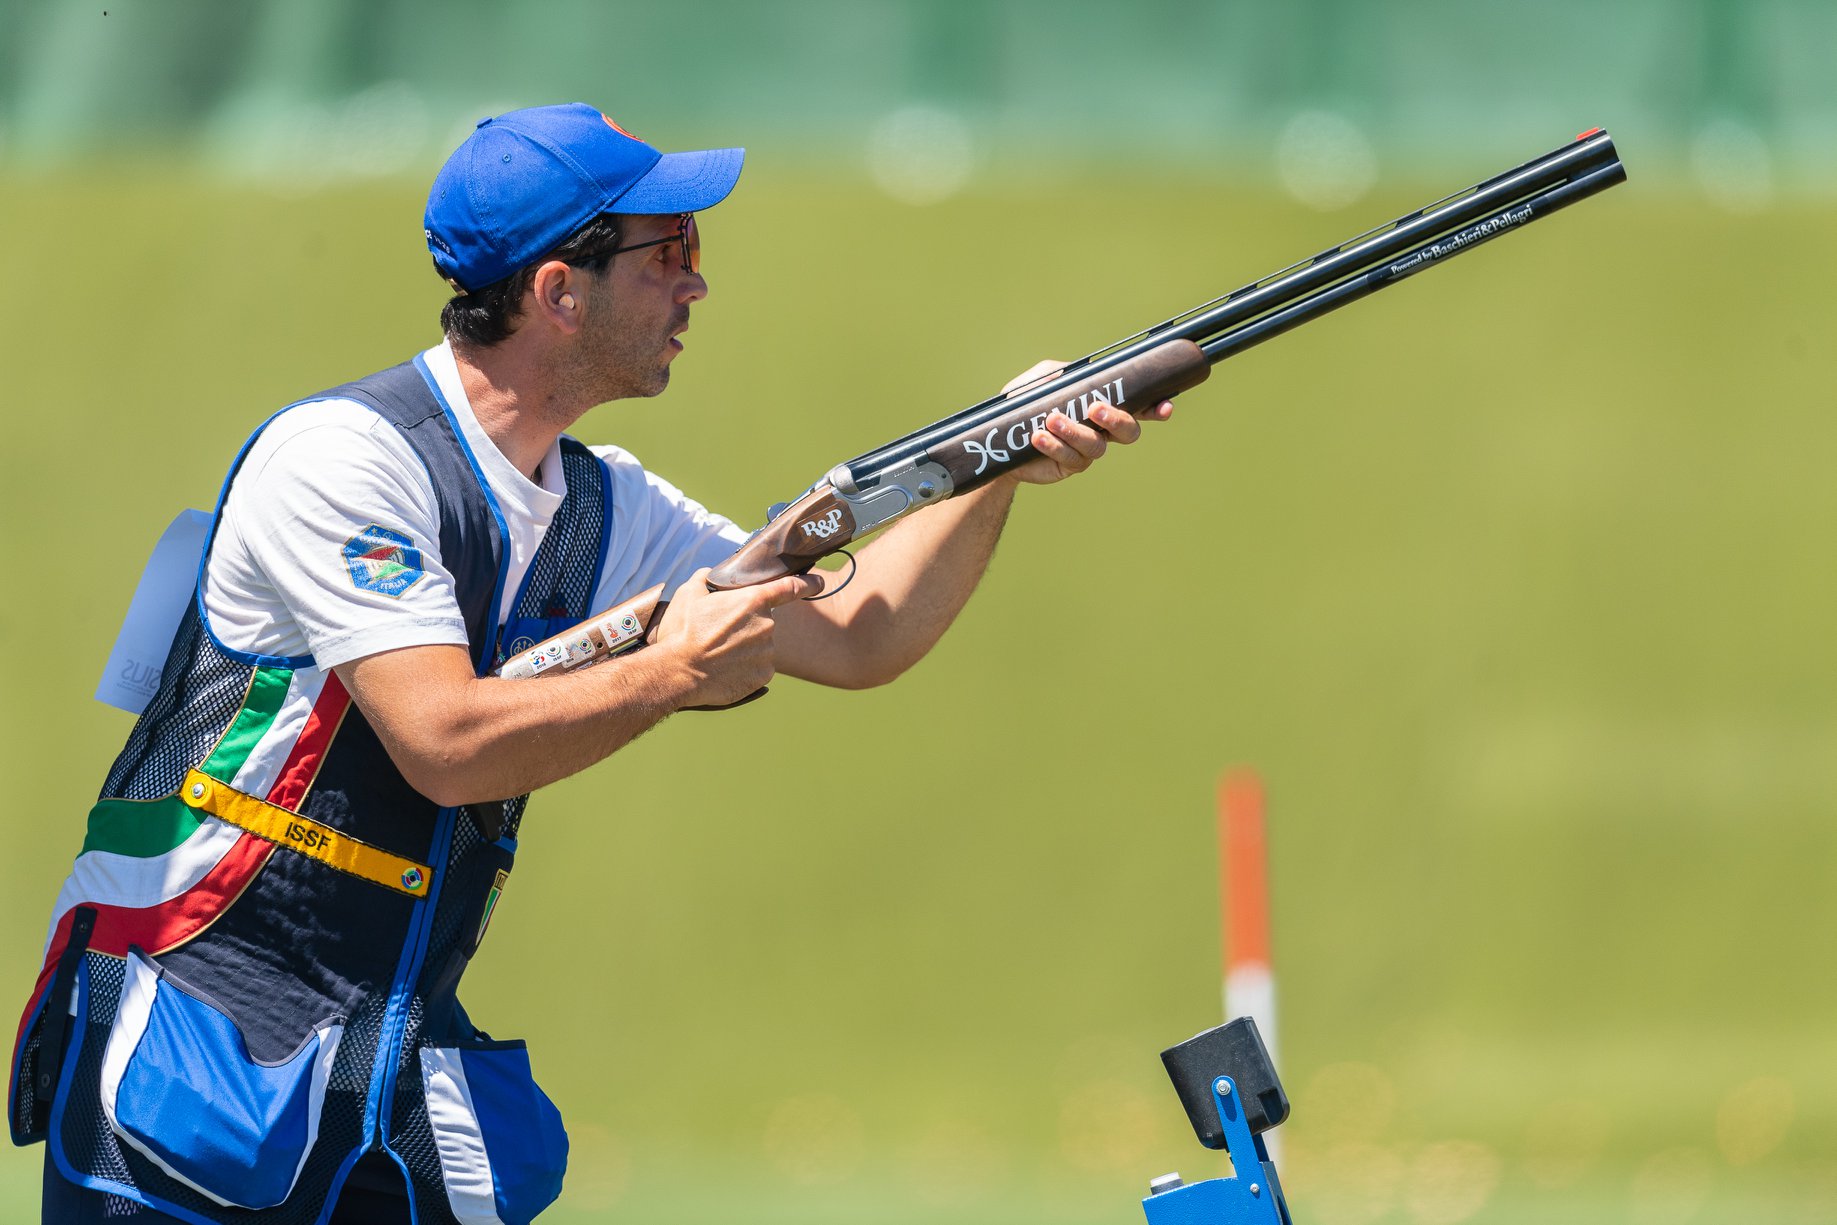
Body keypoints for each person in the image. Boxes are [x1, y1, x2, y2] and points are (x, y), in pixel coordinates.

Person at [11, 102, 1174, 1224]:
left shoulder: (603, 505)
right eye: (669, 250)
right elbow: (444, 745)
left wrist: (1000, 467)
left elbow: (862, 631)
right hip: (193, 1037)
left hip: (369, 1054)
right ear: (557, 291)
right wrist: (668, 672)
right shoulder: (343, 460)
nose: (696, 280)